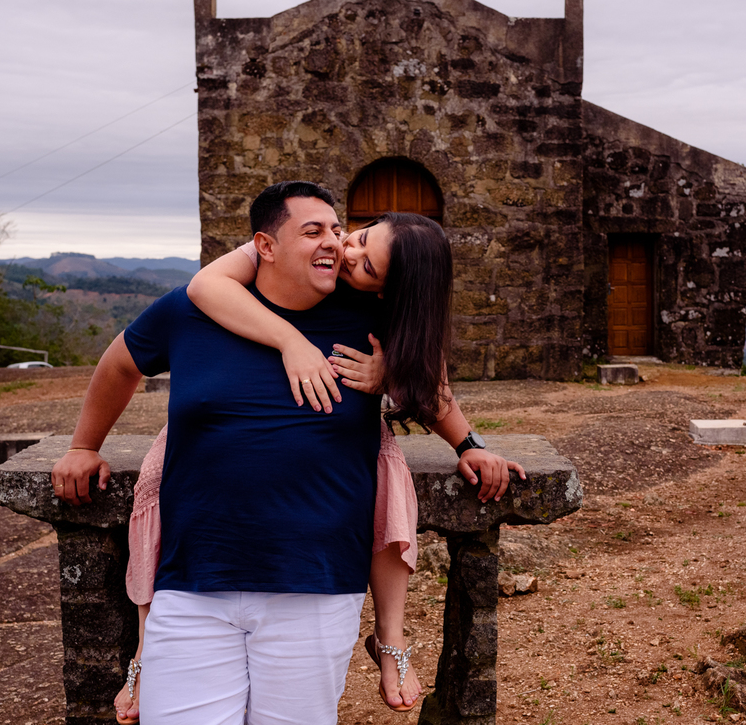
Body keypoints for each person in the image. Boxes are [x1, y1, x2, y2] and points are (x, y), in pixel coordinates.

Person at [53, 182, 518, 725]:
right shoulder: (195, 305)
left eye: (343, 235)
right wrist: (84, 446)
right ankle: (144, 652)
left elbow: (428, 380)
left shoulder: (371, 317)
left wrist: (468, 443)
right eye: (318, 232)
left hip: (315, 578)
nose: (341, 246)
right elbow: (120, 365)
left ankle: (390, 639)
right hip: (195, 576)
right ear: (266, 246)